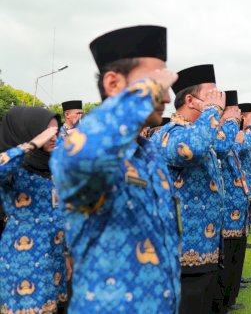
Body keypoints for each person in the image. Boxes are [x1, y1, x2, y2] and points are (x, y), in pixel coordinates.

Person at [50, 25, 181, 313]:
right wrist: (146, 93)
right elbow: (85, 155)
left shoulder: (149, 152)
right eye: (155, 82)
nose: (167, 97)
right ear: (113, 84)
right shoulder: (77, 147)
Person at [151, 64, 228, 314]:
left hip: (205, 248)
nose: (219, 99)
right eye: (212, 94)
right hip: (182, 253)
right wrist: (214, 111)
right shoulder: (169, 134)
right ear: (190, 100)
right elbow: (191, 150)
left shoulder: (200, 131)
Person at [0, 106, 70, 314]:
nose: (53, 136)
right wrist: (32, 144)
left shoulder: (52, 165)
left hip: (54, 256)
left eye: (55, 131)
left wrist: (65, 254)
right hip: (25, 258)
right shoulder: (15, 168)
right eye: (46, 132)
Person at [210, 90, 249, 313]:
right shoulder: (216, 133)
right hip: (225, 208)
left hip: (237, 201)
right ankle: (224, 301)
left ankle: (229, 298)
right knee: (223, 264)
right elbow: (224, 150)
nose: (238, 117)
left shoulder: (228, 134)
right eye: (234, 112)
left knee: (234, 257)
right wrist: (233, 124)